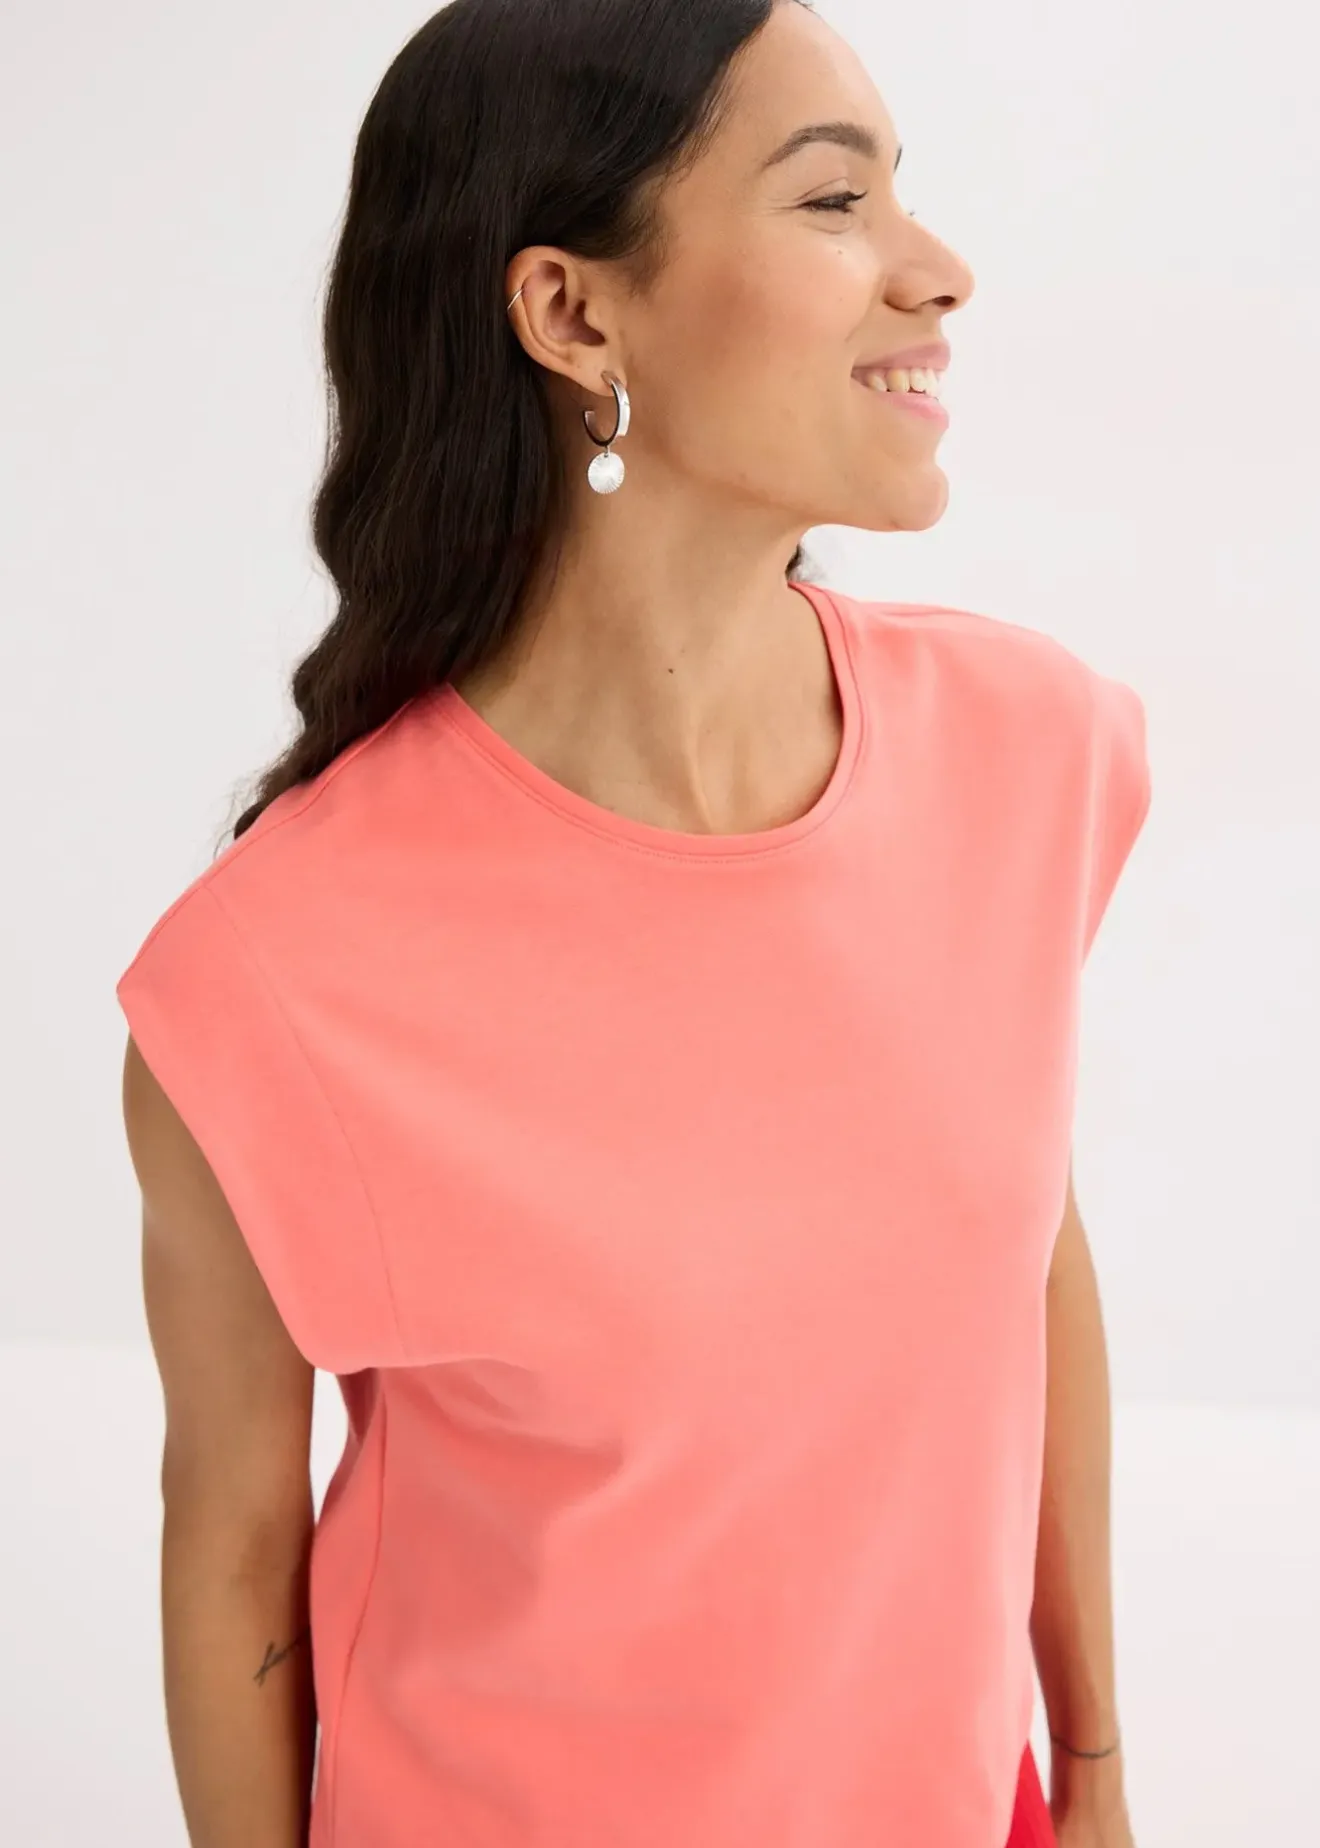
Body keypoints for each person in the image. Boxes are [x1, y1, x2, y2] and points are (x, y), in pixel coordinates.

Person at [115, 3, 1150, 1845]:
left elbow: (1025, 1265)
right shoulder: (271, 977)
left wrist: (1091, 1774)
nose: (936, 269)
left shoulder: (1027, 751)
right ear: (572, 315)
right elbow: (233, 1560)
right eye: (832, 199)